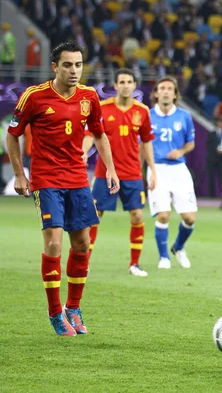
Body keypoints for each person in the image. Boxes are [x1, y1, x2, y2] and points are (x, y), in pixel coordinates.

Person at [5, 40, 120, 336]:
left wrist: (110, 169)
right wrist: (20, 175)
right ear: (55, 67)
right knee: (55, 244)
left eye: (78, 65)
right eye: (68, 65)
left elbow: (99, 134)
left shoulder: (89, 97)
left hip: (78, 179)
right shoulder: (35, 96)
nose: (74, 70)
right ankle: (55, 312)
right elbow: (12, 135)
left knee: (82, 244)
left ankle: (74, 307)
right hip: (47, 180)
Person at [83, 68, 157, 277]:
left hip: (132, 172)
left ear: (134, 85)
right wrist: (82, 152)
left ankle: (134, 264)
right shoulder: (103, 109)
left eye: (129, 82)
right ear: (115, 86)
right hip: (104, 172)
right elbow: (90, 135)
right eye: (122, 82)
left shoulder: (142, 111)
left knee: (137, 214)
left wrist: (152, 169)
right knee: (95, 215)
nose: (126, 85)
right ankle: (84, 263)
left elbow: (147, 142)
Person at [147, 77, 197, 269]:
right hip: (157, 169)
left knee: (190, 218)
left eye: (170, 89)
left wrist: (181, 151)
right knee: (163, 215)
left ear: (175, 94)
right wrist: (148, 170)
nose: (166, 91)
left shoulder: (184, 116)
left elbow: (190, 143)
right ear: (156, 93)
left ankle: (178, 247)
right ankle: (163, 258)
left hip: (179, 170)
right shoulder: (148, 116)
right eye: (162, 88)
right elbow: (143, 145)